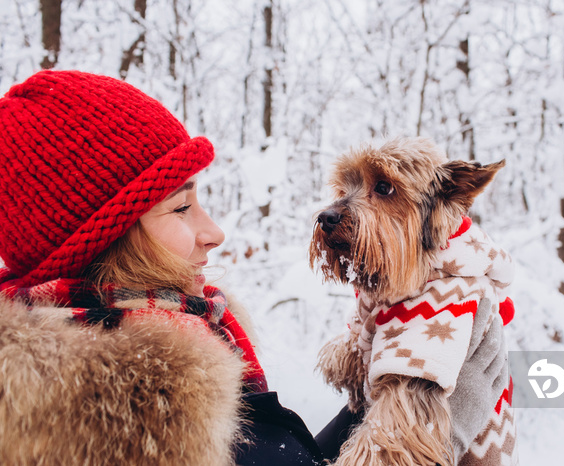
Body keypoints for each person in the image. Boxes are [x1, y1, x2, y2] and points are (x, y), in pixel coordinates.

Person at [0, 70, 323, 465]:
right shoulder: (131, 413)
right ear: (103, 240)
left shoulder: (199, 336)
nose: (214, 232)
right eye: (181, 207)